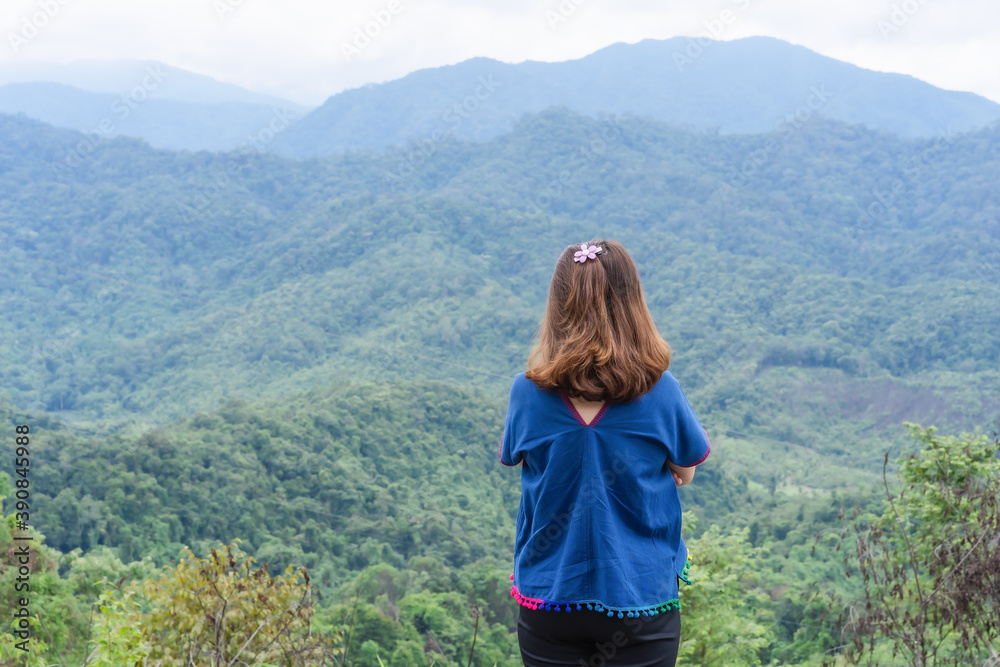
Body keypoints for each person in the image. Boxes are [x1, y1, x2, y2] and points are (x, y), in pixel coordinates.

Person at [499, 240, 711, 667]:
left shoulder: (527, 392)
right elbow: (685, 470)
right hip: (639, 601)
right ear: (631, 304)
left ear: (559, 307)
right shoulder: (659, 391)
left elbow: (523, 459)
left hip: (549, 599)